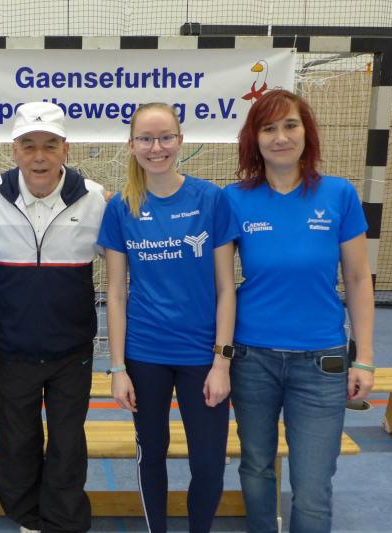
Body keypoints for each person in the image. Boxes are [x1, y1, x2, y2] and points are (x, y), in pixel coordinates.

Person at [224, 89, 375, 533]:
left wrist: (364, 357)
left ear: (306, 132)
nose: (280, 137)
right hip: (252, 359)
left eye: (290, 125)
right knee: (255, 466)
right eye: (268, 128)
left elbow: (358, 279)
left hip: (322, 362)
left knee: (311, 484)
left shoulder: (339, 194)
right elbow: (219, 285)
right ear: (254, 139)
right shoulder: (234, 199)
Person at [99, 103, 237, 533]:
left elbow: (226, 288)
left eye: (164, 137)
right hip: (145, 354)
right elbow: (116, 293)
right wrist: (118, 368)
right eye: (145, 138)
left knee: (209, 462)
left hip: (202, 355)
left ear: (180, 141)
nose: (155, 147)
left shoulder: (211, 199)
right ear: (131, 145)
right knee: (152, 453)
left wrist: (222, 361)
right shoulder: (121, 207)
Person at [0, 102, 106, 533]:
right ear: (13, 150)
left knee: (67, 445)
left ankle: (64, 522)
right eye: (28, 145)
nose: (39, 156)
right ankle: (27, 519)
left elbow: (126, 259)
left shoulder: (95, 198)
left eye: (50, 145)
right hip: (12, 350)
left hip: (72, 352)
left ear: (66, 149)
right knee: (16, 443)